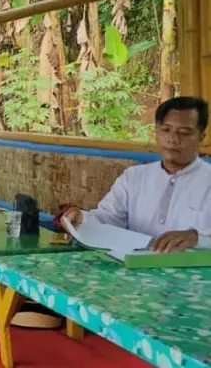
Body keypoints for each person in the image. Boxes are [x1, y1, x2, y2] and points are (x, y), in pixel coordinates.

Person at [63, 96, 211, 253]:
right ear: (156, 132)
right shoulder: (134, 178)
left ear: (201, 138)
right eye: (166, 130)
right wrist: (82, 218)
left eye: (184, 133)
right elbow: (106, 220)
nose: (173, 139)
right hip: (133, 270)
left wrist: (197, 238)